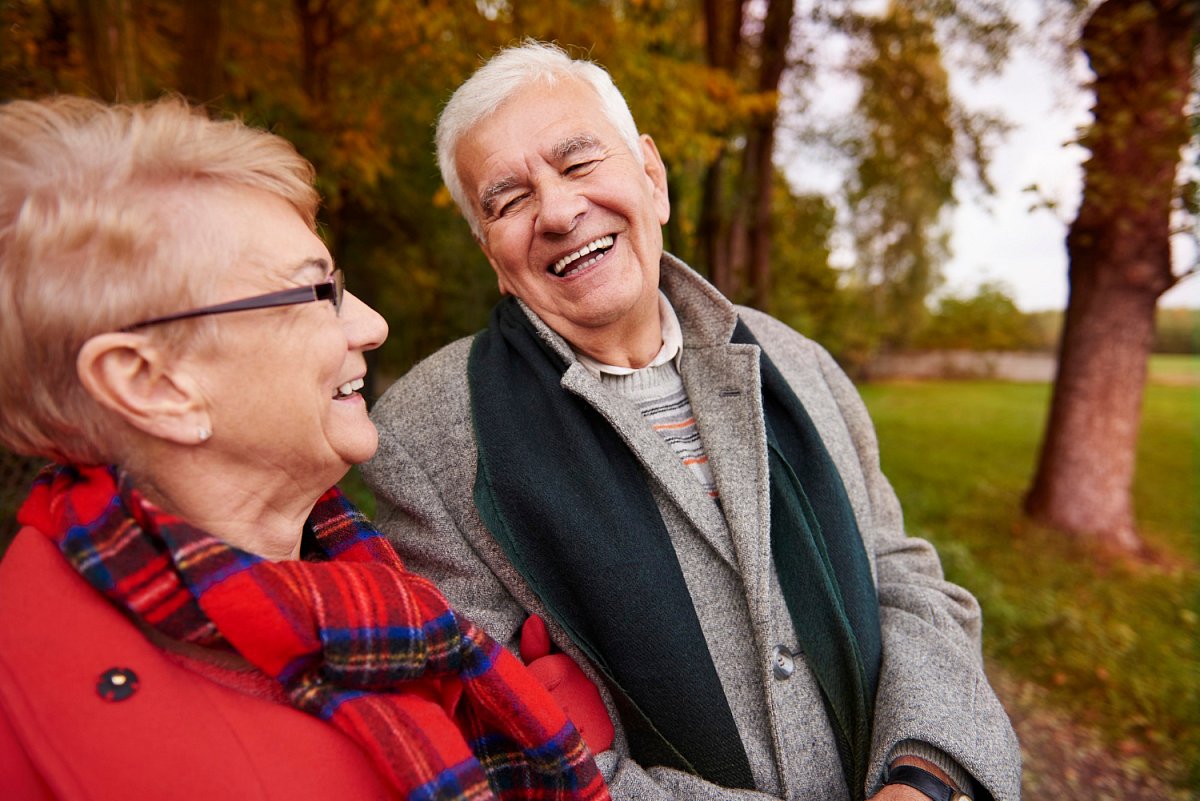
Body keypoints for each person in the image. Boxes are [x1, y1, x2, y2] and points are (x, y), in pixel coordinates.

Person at [363, 40, 1021, 801]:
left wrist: (927, 777)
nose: (559, 210)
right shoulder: (427, 434)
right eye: (508, 200)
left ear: (652, 176)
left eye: (578, 164)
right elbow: (502, 738)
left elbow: (903, 576)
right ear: (491, 253)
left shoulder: (797, 362)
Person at [0, 95, 610, 801]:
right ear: (153, 383)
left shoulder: (353, 593)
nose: (371, 325)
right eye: (314, 291)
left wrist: (523, 722)